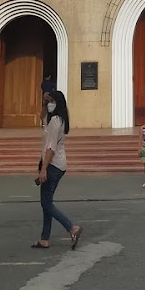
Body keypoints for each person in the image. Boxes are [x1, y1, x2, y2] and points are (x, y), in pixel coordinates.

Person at [32, 89, 81, 249]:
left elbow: (51, 148)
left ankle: (71, 227)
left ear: (57, 103)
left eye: (52, 101)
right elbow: (41, 116)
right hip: (59, 165)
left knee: (46, 204)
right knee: (47, 202)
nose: (50, 103)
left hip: (52, 165)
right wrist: (44, 102)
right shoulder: (56, 119)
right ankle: (44, 238)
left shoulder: (55, 122)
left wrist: (43, 169)